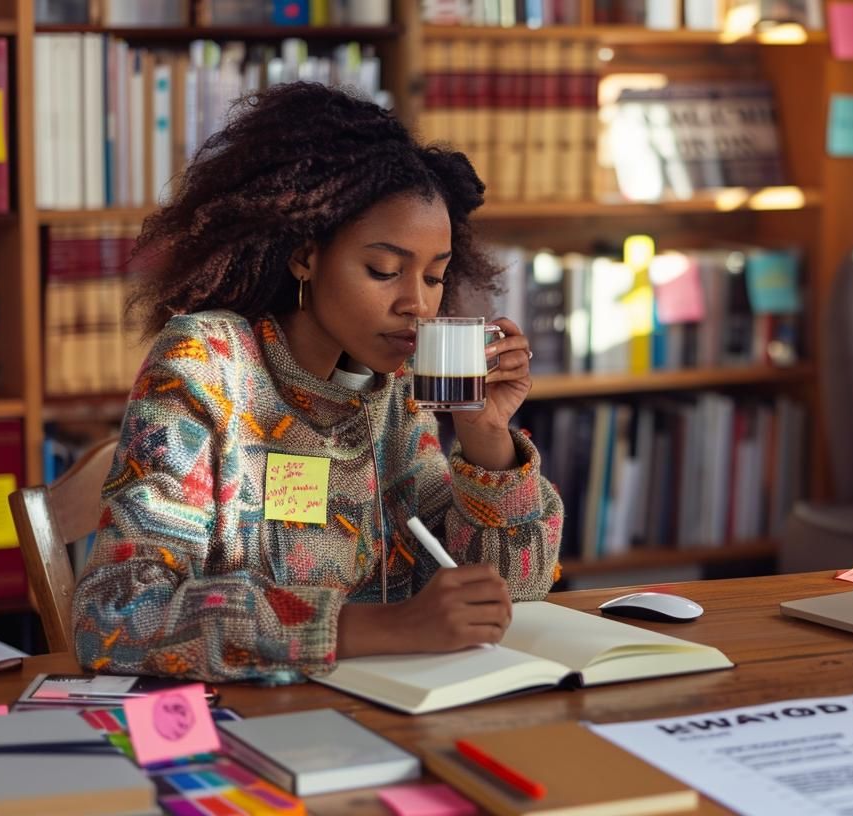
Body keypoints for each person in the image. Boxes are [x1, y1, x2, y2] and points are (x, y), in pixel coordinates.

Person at [70, 83, 564, 684]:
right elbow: (116, 616)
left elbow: (512, 594)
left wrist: (487, 438)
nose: (417, 306)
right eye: (383, 270)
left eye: (435, 278)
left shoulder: (397, 386)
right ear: (305, 255)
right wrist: (379, 629)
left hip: (391, 710)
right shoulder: (209, 363)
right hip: (248, 725)